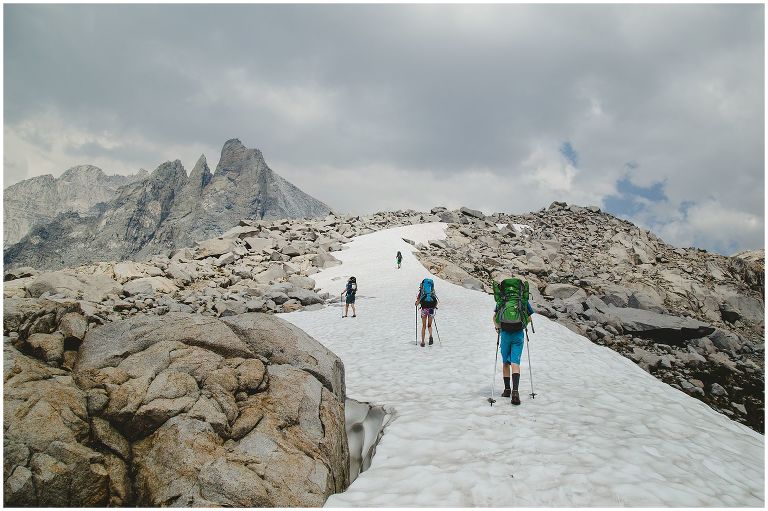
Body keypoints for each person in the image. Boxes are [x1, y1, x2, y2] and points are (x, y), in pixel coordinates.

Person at [492, 279, 534, 405]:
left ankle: (506, 390)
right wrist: (524, 324)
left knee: (506, 362)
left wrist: (497, 328)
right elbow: (529, 317)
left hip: (505, 334)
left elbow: (495, 317)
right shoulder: (521, 301)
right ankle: (515, 391)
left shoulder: (503, 301)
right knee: (515, 362)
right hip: (518, 335)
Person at [414, 278, 438, 347]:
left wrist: (416, 303)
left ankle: (423, 342)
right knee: (429, 325)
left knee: (424, 326)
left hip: (424, 309)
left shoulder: (421, 292)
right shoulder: (432, 292)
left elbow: (417, 303)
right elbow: (435, 302)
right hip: (431, 309)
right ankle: (430, 335)